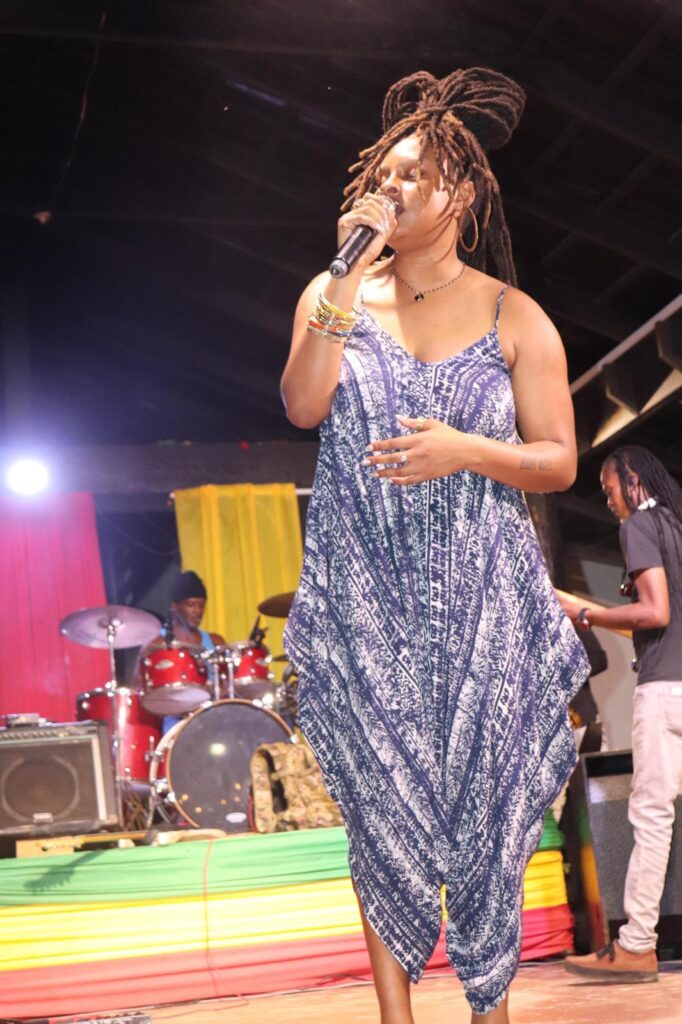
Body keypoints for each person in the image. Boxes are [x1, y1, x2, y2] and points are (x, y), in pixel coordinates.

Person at [281, 68, 589, 1024]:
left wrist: (467, 450)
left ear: (462, 196)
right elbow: (303, 404)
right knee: (381, 812)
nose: (395, 186)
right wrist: (343, 276)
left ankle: (491, 1010)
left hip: (481, 602)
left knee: (487, 818)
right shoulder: (332, 295)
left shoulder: (512, 315)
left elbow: (559, 460)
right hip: (366, 592)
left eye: (415, 174)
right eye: (386, 172)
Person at [560, 446, 682, 984]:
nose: (609, 502)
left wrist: (585, 613)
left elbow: (655, 611)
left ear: (632, 480)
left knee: (652, 817)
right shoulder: (676, 527)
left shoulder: (640, 525)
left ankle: (635, 946)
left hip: (665, 692)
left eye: (610, 490)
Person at [133, 570, 225, 730]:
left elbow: (228, 684)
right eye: (191, 605)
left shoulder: (216, 641)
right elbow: (137, 689)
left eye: (201, 605)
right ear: (174, 607)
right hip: (175, 724)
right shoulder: (156, 643)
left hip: (213, 719)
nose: (197, 611)